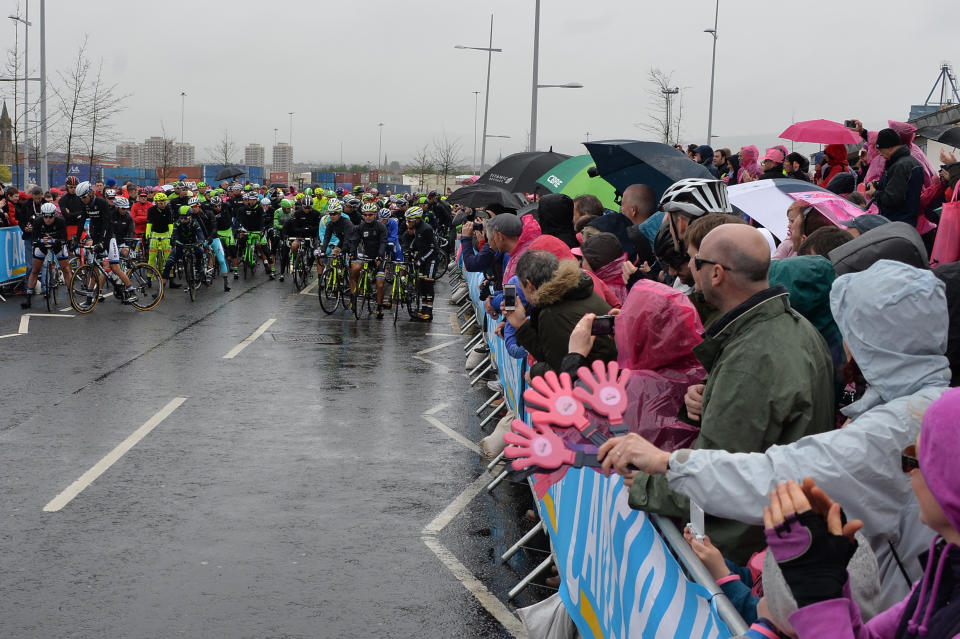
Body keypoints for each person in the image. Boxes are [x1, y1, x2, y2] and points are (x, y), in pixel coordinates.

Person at [601, 259, 949, 607]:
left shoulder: (893, 428)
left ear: (869, 342)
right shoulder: (936, 405)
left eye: (851, 331)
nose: (844, 342)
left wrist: (667, 463)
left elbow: (778, 477)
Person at [600, 224, 835, 564]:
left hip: (742, 547)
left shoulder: (752, 358)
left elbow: (716, 475)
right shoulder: (791, 324)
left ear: (716, 274)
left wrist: (645, 485)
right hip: (773, 528)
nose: (689, 269)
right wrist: (710, 393)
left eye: (695, 261)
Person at [765, 387, 960, 638]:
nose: (908, 470)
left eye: (916, 458)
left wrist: (816, 595)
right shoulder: (943, 576)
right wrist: (831, 581)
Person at [504, 249, 616, 378]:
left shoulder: (552, 314)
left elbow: (561, 369)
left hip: (599, 384)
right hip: (610, 375)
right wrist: (522, 323)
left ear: (529, 285)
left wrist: (536, 372)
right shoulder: (575, 289)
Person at [588, 184, 658, 266]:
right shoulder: (664, 237)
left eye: (622, 204)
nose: (621, 209)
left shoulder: (628, 242)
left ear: (633, 210)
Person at [19, 203, 73, 309]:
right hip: (42, 245)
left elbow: (64, 239)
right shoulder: (38, 221)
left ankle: (71, 295)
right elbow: (34, 239)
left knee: (66, 269)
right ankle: (28, 299)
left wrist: (53, 240)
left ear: (55, 215)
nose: (48, 219)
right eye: (45, 216)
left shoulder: (60, 221)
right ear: (42, 215)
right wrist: (40, 240)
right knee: (35, 270)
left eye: (50, 216)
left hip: (58, 245)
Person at [867, 128, 924, 226]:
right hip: (908, 221)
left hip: (897, 222)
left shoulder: (899, 166)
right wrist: (880, 185)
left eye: (881, 149)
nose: (880, 153)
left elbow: (892, 199)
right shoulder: (911, 162)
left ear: (890, 147)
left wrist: (874, 193)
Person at [349, 202, 388, 318]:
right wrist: (352, 253)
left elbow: (383, 243)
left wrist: (380, 256)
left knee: (380, 284)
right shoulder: (361, 226)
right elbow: (355, 241)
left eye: (370, 215)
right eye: (365, 215)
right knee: (354, 269)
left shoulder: (381, 227)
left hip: (378, 258)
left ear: (375, 215)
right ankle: (353, 296)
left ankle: (379, 307)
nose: (367, 217)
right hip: (366, 257)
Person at [399, 206, 437, 321]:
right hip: (422, 259)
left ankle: (429, 312)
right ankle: (424, 308)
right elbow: (415, 244)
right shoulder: (416, 228)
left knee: (428, 284)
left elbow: (433, 248)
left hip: (431, 260)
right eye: (406, 220)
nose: (407, 223)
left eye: (409, 220)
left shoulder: (426, 229)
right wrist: (409, 252)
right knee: (421, 285)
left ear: (417, 219)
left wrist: (422, 259)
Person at [161, 206, 206, 290]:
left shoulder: (194, 223)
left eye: (185, 218)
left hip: (193, 244)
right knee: (168, 264)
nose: (183, 220)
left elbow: (201, 236)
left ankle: (200, 269)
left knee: (200, 251)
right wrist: (178, 243)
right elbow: (174, 237)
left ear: (190, 217)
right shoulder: (177, 223)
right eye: (181, 218)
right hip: (181, 245)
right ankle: (161, 290)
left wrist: (199, 242)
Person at [578, 232, 628, 304]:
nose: (580, 263)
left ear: (594, 262)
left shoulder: (609, 293)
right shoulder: (621, 277)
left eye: (583, 259)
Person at [146, 192, 176, 280]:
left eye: (164, 202)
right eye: (160, 203)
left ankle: (171, 278)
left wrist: (171, 236)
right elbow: (149, 223)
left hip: (166, 233)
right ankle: (149, 277)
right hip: (155, 233)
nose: (163, 204)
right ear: (156, 202)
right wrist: (148, 235)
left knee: (168, 257)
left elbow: (170, 224)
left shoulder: (168, 209)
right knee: (151, 257)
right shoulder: (151, 210)